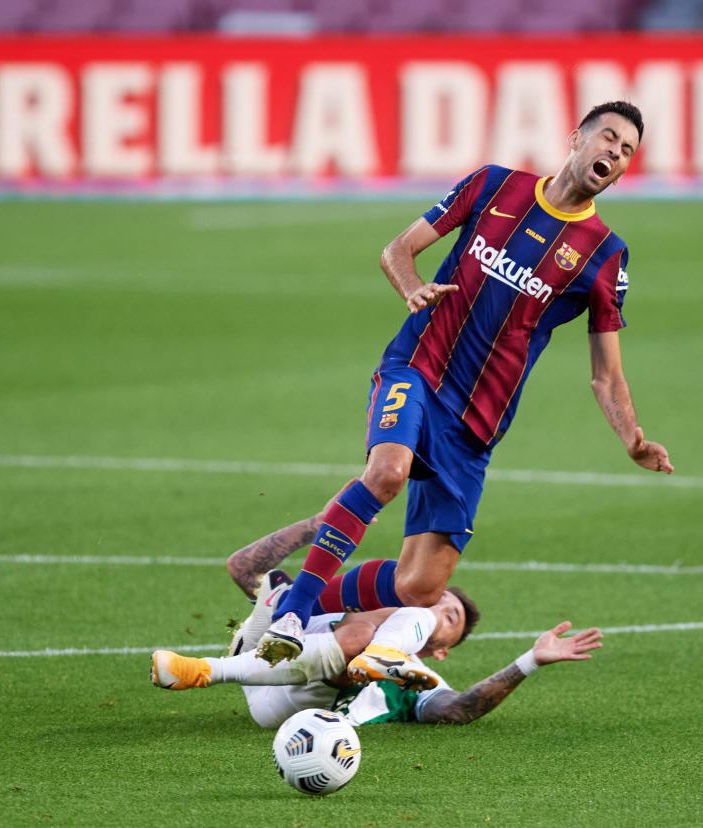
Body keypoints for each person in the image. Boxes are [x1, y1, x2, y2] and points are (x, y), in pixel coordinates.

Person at [256, 100, 673, 666]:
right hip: (419, 368)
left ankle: (286, 595)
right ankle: (291, 615)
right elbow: (397, 249)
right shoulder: (493, 185)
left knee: (420, 587)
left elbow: (607, 373)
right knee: (387, 472)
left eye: (627, 151)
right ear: (576, 137)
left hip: (477, 423)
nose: (614, 154)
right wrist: (411, 288)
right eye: (608, 139)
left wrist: (633, 438)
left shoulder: (604, 254)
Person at [151, 575, 603, 729]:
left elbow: (459, 709)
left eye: (451, 618)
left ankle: (220, 660)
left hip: (296, 707)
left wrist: (530, 660)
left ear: (442, 652)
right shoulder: (371, 609)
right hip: (272, 672)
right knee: (287, 589)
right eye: (439, 601)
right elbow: (243, 566)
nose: (437, 609)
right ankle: (252, 637)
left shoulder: (426, 675)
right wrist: (323, 523)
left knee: (377, 629)